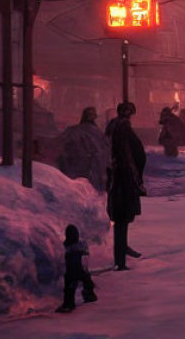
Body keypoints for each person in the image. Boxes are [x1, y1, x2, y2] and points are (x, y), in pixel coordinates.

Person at [107, 102, 146, 270]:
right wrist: (135, 175)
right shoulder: (121, 128)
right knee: (122, 218)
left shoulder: (114, 126)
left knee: (122, 220)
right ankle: (120, 259)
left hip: (120, 178)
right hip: (122, 179)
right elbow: (129, 153)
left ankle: (122, 250)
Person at [56, 106, 111, 192]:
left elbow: (104, 150)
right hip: (82, 166)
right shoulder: (76, 131)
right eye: (90, 115)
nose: (91, 117)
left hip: (95, 166)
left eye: (93, 115)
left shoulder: (97, 132)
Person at [55, 224, 96, 313]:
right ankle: (90, 295)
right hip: (82, 269)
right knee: (86, 280)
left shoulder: (68, 249)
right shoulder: (82, 246)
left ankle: (68, 304)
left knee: (69, 286)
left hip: (72, 271)